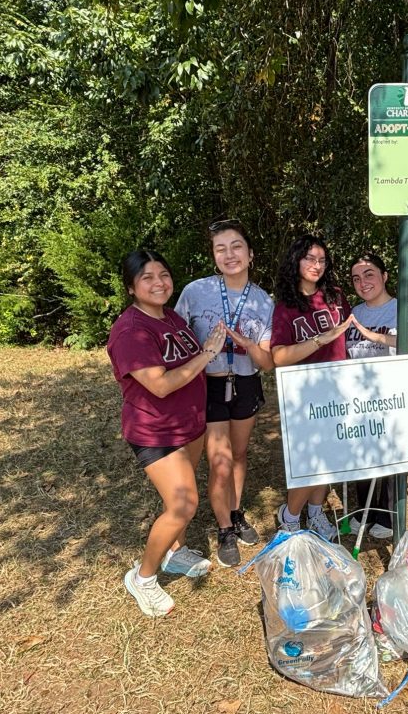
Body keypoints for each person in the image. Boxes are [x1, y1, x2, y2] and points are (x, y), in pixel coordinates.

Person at [107, 249, 226, 617]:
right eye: (147, 277)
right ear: (131, 287)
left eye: (163, 274)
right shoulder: (131, 331)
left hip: (188, 424)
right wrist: (207, 354)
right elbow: (159, 385)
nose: (159, 283)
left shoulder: (170, 316)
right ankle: (142, 578)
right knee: (183, 503)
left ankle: (175, 553)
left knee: (179, 500)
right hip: (155, 431)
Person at [175, 220, 274, 568]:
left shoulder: (263, 301)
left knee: (240, 454)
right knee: (219, 462)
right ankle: (224, 529)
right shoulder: (194, 291)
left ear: (250, 254)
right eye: (221, 248)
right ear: (214, 255)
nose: (229, 254)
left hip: (246, 383)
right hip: (210, 385)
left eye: (236, 247)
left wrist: (248, 345)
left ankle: (236, 511)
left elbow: (268, 360)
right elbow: (174, 340)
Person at [270, 234, 353, 539]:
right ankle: (290, 516)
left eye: (321, 259)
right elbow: (278, 356)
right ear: (296, 261)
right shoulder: (286, 305)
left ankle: (316, 512)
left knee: (331, 456)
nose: (316, 265)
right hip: (304, 393)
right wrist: (321, 339)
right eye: (310, 258)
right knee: (309, 461)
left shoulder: (335, 296)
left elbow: (351, 334)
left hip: (338, 388)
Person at [344, 252, 408, 539]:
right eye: (356, 278)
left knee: (393, 456)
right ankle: (364, 511)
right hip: (360, 398)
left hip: (394, 396)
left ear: (384, 276)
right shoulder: (353, 312)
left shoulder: (402, 309)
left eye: (369, 274)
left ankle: (389, 514)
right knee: (362, 456)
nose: (363, 282)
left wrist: (377, 337)